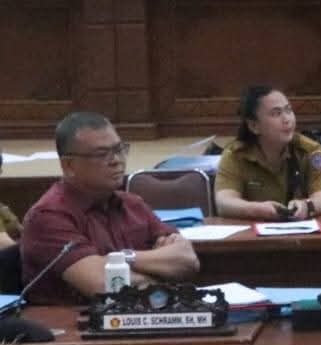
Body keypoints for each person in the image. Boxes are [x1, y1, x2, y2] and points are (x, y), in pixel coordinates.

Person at [20, 112, 199, 304]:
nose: (116, 160)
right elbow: (104, 286)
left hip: (140, 314)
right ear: (69, 165)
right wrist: (160, 273)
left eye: (119, 149)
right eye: (101, 154)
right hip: (73, 319)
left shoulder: (133, 204)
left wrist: (121, 259)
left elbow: (187, 259)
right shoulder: (49, 216)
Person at [214, 86, 321, 221]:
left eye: (288, 110)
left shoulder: (310, 150)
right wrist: (257, 209)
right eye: (276, 113)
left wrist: (307, 206)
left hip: (301, 230)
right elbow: (224, 203)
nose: (287, 119)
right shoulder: (236, 154)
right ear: (254, 126)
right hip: (253, 230)